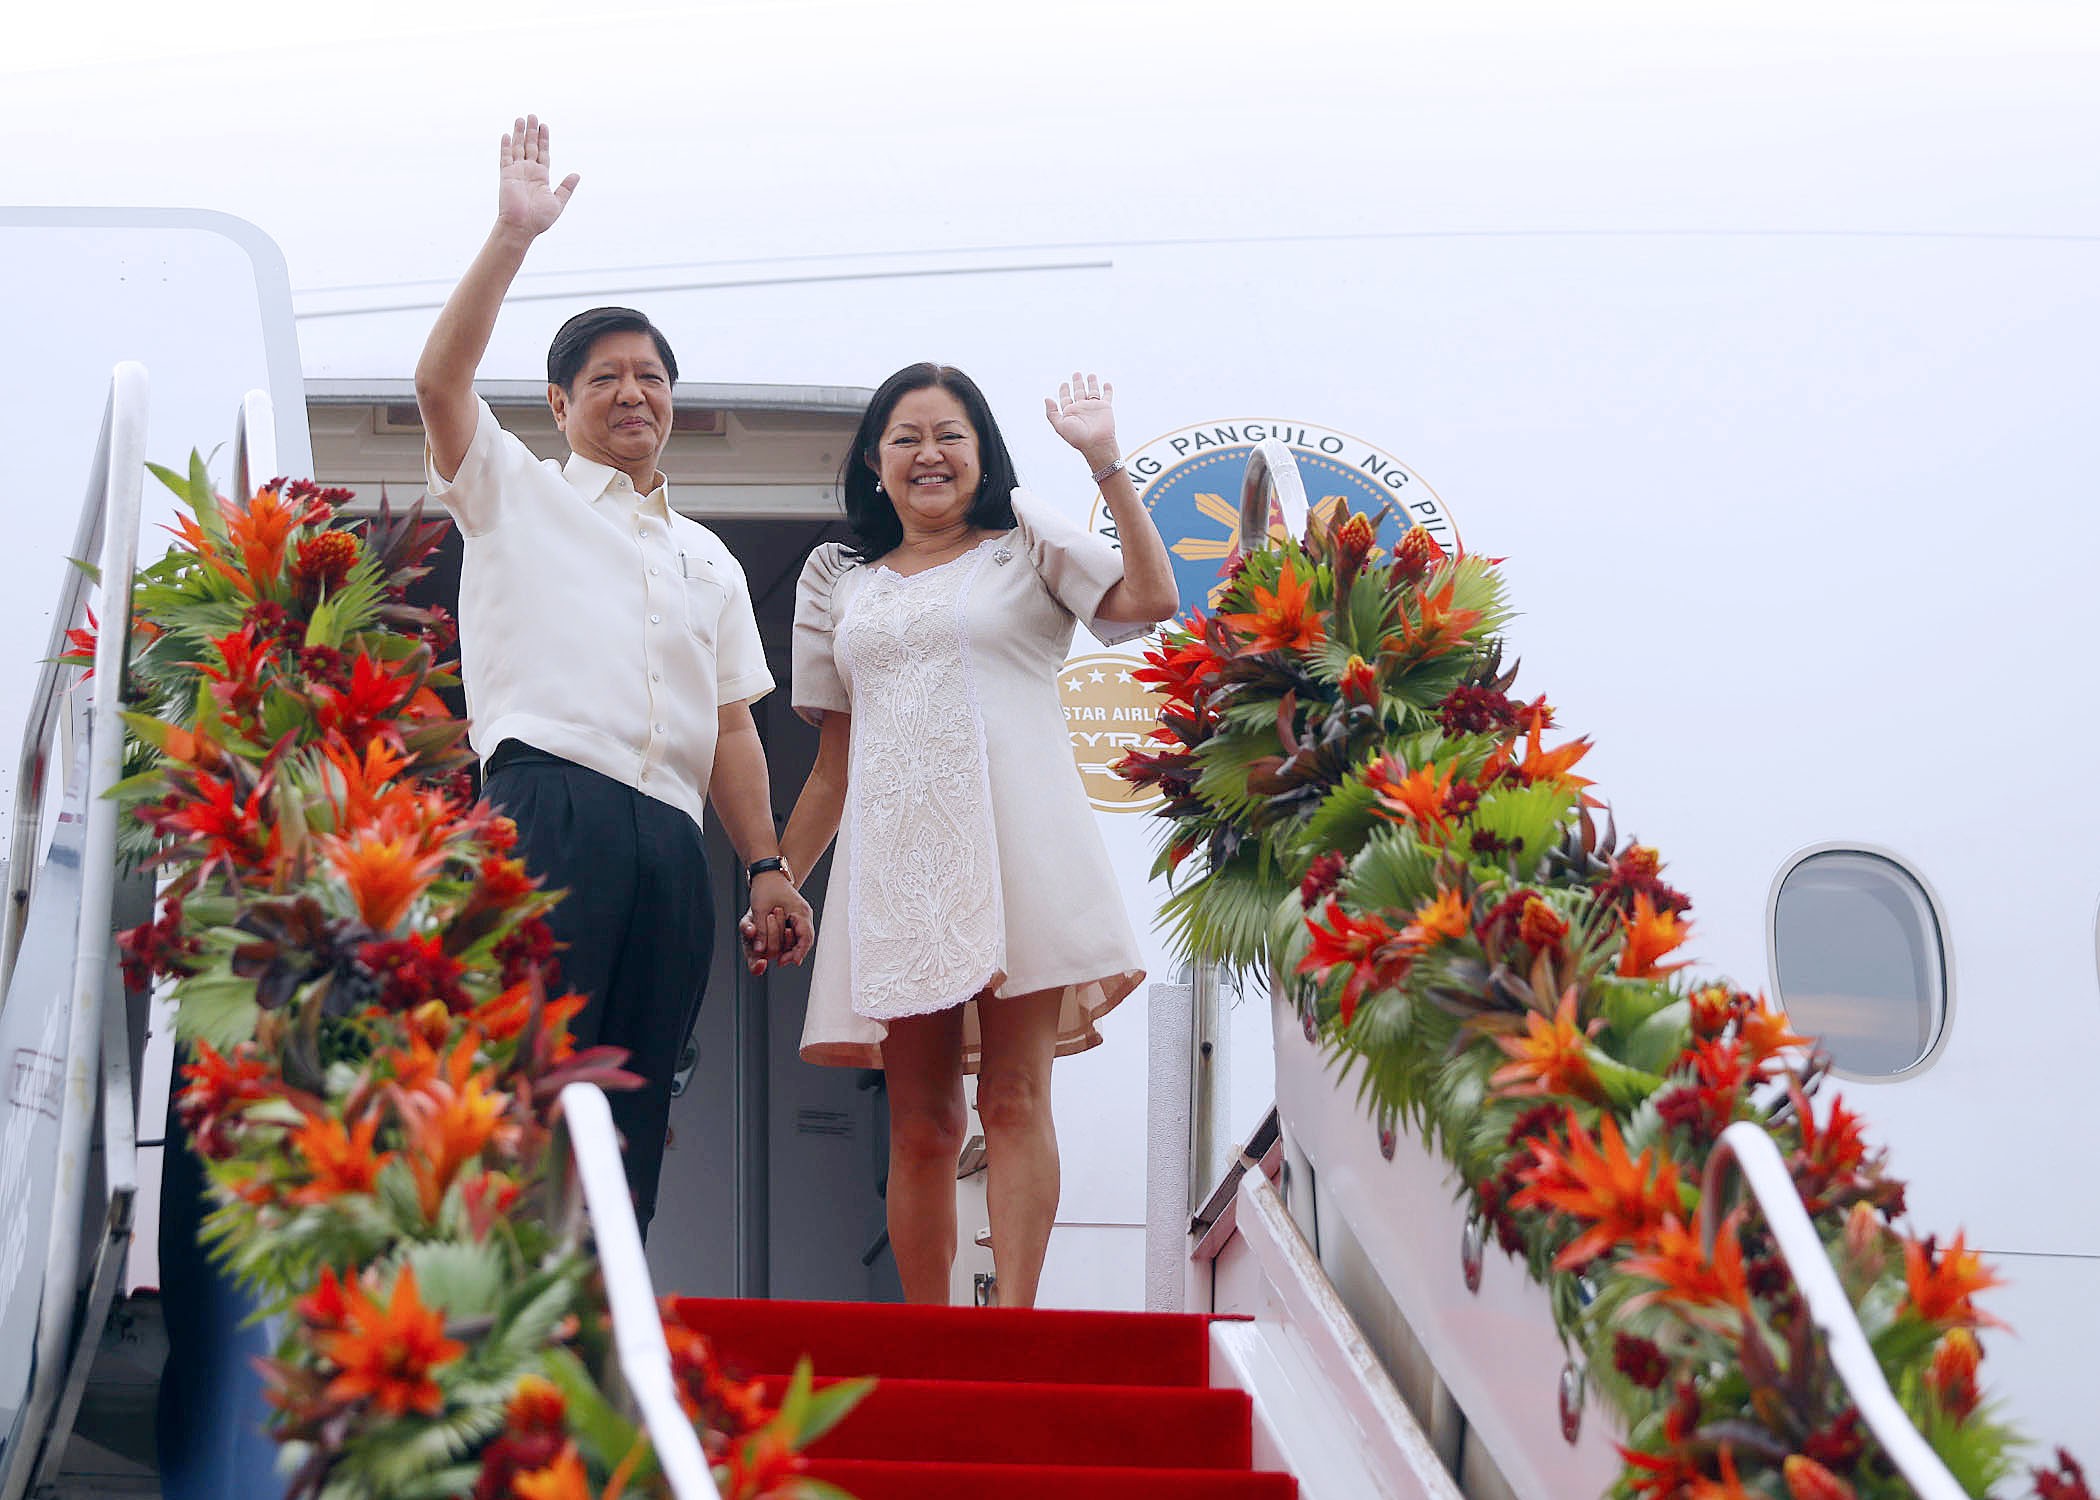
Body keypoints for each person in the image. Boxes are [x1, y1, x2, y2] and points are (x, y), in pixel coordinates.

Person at [415, 116, 812, 1235]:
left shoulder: (709, 558)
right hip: (547, 804)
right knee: (520, 1085)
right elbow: (441, 382)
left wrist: (769, 866)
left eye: (650, 376)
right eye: (603, 378)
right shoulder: (514, 491)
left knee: (634, 1103)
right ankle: (489, 1338)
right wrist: (510, 239)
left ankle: (595, 1338)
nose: (631, 393)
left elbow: (733, 727)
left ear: (672, 400)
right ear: (560, 406)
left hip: (670, 842)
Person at [754, 363, 1177, 1307]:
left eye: (950, 435)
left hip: (1019, 851)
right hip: (897, 868)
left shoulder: (1024, 544)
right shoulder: (839, 583)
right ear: (874, 461)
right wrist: (776, 875)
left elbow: (1150, 600)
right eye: (905, 438)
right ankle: (931, 1339)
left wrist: (1104, 458)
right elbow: (834, 763)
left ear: (982, 452)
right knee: (923, 1125)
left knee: (1016, 1098)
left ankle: (1015, 1335)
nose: (928, 455)